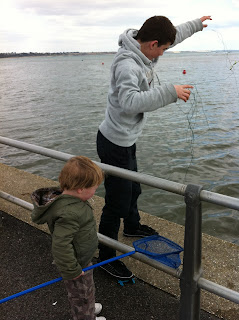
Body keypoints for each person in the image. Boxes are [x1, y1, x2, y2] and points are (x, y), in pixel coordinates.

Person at [96, 15, 212, 279]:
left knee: (133, 188)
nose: (163, 53)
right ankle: (105, 257)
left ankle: (133, 226)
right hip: (114, 143)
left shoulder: (146, 45)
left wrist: (196, 24)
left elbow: (171, 35)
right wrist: (171, 91)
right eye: (163, 48)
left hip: (126, 139)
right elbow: (130, 102)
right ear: (152, 44)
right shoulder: (127, 65)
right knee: (116, 201)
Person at [31, 156, 105, 320]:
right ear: (80, 189)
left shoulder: (71, 201)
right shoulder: (70, 213)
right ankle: (86, 316)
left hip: (81, 259)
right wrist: (72, 270)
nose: (95, 192)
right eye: (94, 188)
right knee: (81, 295)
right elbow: (61, 246)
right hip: (76, 263)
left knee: (86, 290)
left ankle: (89, 308)